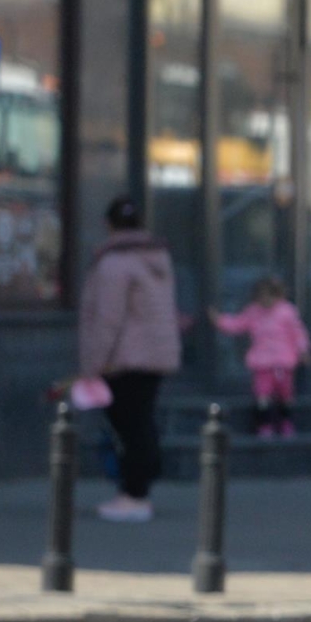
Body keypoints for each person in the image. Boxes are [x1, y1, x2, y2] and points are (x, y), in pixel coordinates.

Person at [77, 197, 183, 523]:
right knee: (140, 423)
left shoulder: (115, 263)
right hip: (154, 354)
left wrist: (92, 364)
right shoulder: (157, 257)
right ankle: (139, 491)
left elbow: (108, 319)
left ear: (109, 225)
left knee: (128, 427)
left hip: (124, 358)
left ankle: (134, 496)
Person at [213, 275, 311, 437]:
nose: (265, 300)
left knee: (285, 395)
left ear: (278, 296)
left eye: (269, 296)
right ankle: (264, 424)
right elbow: (238, 324)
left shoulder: (287, 312)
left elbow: (298, 334)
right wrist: (220, 321)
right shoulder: (253, 312)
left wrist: (303, 351)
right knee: (262, 395)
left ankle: (285, 423)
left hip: (283, 362)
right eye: (262, 296)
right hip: (262, 363)